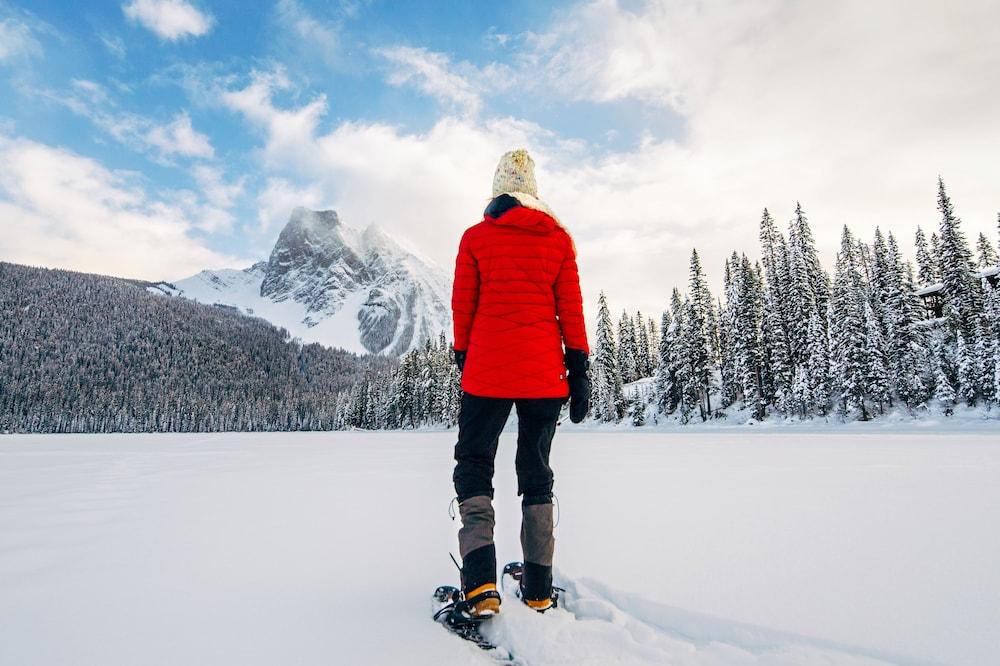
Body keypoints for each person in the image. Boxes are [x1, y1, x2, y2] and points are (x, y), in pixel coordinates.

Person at [450, 148, 590, 617]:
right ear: (533, 193)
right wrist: (580, 368)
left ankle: (480, 586)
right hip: (544, 376)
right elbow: (571, 308)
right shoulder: (558, 240)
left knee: (474, 465)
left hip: (487, 372)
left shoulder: (475, 237)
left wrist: (463, 354)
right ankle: (537, 588)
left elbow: (463, 305)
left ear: (497, 192)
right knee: (536, 472)